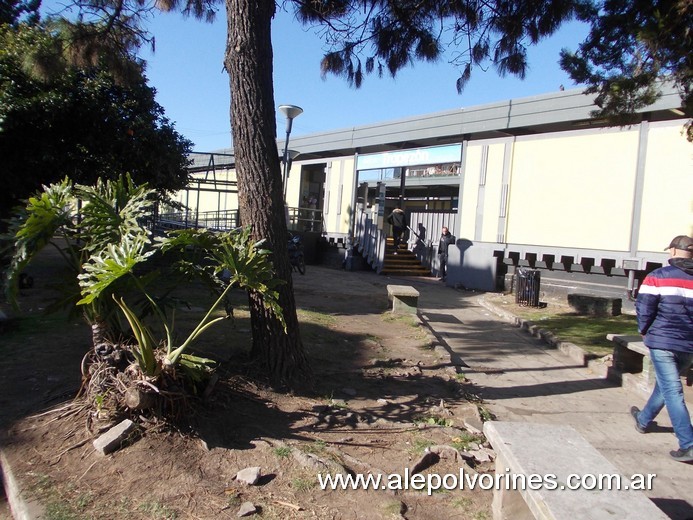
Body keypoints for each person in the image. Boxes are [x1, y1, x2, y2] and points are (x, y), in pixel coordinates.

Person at [630, 234, 693, 463]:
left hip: (663, 342)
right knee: (666, 385)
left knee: (673, 390)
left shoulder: (657, 277)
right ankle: (643, 419)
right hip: (688, 345)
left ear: (674, 251)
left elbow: (644, 307)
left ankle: (688, 443)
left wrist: (644, 330)